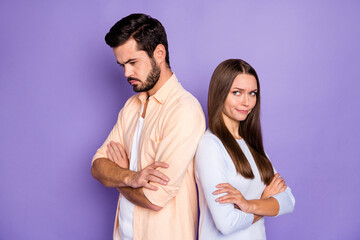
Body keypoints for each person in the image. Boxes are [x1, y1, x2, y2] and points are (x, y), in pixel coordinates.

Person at [91, 13, 205, 240]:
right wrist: (131, 177)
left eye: (133, 62)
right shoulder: (132, 107)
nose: (126, 73)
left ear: (159, 53)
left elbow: (155, 199)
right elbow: (97, 167)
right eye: (122, 65)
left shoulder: (184, 110)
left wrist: (119, 178)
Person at [195, 59, 295, 239]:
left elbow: (289, 201)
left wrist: (248, 205)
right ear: (220, 93)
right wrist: (266, 202)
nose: (247, 102)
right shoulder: (210, 145)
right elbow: (227, 223)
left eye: (252, 93)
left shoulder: (252, 145)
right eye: (237, 93)